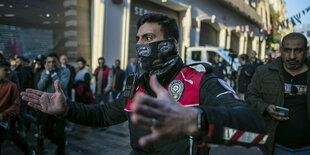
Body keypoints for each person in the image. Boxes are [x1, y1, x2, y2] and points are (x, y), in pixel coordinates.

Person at [21, 13, 267, 155]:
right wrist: (67, 109)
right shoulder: (135, 83)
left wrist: (197, 119)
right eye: (138, 39)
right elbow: (106, 114)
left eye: (149, 38)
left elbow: (254, 127)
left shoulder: (200, 80)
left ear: (170, 43)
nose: (141, 45)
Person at [246, 32, 310, 155]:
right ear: (281, 50)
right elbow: (250, 97)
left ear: (306, 50)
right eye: (287, 50)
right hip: (275, 147)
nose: (292, 56)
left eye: (298, 50)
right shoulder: (263, 72)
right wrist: (265, 108)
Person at [37, 53, 70, 155]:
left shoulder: (65, 71)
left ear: (58, 62)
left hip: (61, 106)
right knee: (46, 130)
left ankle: (61, 151)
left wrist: (54, 74)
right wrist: (47, 74)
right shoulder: (44, 72)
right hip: (47, 106)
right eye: (49, 62)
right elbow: (40, 86)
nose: (51, 64)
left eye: (53, 62)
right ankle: (60, 144)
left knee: (60, 131)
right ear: (46, 63)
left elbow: (63, 85)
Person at [0, 60, 20, 154]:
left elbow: (16, 105)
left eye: (9, 70)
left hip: (2, 123)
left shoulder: (12, 86)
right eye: (5, 70)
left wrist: (3, 115)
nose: (8, 72)